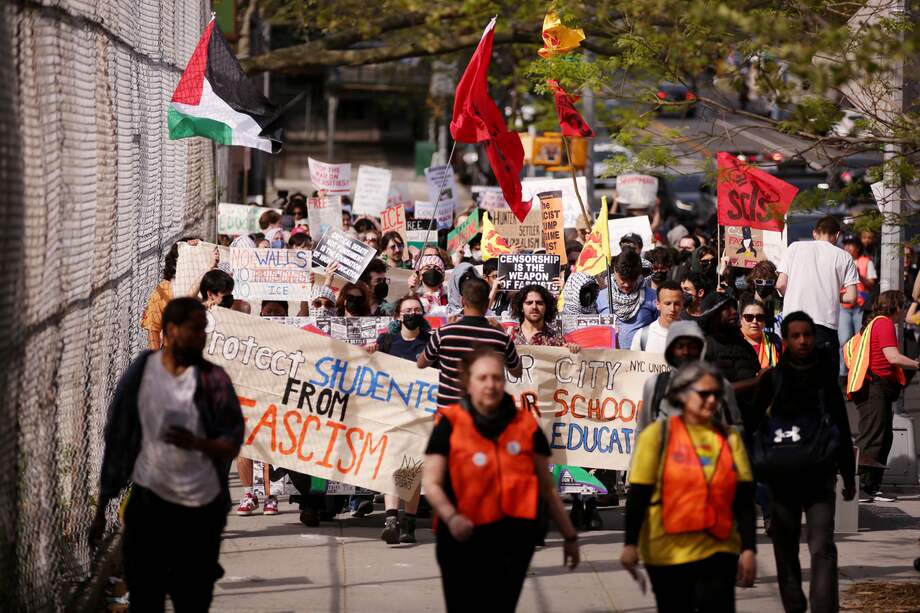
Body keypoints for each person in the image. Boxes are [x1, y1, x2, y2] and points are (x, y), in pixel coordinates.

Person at [90, 298, 244, 611]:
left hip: (199, 510)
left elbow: (232, 441)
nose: (202, 337)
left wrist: (199, 444)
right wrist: (102, 506)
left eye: (204, 330)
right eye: (195, 329)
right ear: (171, 330)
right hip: (151, 505)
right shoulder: (143, 372)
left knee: (192, 598)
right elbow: (119, 437)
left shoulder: (213, 380)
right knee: (146, 596)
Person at [423, 348, 580, 612]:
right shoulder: (450, 423)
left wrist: (570, 536)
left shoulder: (526, 425)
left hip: (513, 539)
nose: (490, 385)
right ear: (468, 381)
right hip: (461, 536)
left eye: (496, 378)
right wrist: (452, 517)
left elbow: (547, 487)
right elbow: (432, 483)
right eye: (482, 378)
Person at [621, 361, 756, 612]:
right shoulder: (656, 437)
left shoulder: (730, 439)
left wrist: (748, 549)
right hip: (667, 554)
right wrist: (630, 544)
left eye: (716, 394)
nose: (712, 400)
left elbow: (744, 499)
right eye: (703, 394)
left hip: (719, 550)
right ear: (682, 396)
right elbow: (639, 494)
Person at [749, 311, 856, 613]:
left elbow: (841, 425)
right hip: (781, 481)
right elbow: (752, 426)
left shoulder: (825, 379)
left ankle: (823, 607)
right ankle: (794, 604)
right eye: (795, 335)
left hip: (820, 477)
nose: (803, 341)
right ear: (785, 340)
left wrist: (849, 475)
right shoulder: (772, 379)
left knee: (822, 547)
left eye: (807, 334)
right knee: (785, 548)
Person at [843, 290, 919, 502]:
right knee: (873, 437)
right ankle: (859, 486)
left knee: (883, 438)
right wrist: (916, 364)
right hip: (873, 387)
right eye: (903, 306)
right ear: (895, 306)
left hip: (875, 388)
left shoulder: (876, 323)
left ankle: (870, 486)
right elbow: (892, 357)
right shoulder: (884, 323)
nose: (904, 311)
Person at [367, 296, 431, 543]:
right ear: (398, 316)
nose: (412, 313)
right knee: (392, 466)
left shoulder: (430, 342)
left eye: (416, 309)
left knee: (412, 469)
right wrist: (369, 352)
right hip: (391, 413)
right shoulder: (387, 342)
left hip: (420, 417)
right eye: (407, 310)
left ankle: (409, 523)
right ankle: (391, 519)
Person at [419, 278, 522, 409]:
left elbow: (421, 363)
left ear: (462, 301)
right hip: (484, 415)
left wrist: (446, 331)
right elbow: (517, 372)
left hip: (449, 414)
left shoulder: (444, 333)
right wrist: (502, 333)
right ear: (487, 303)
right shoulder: (501, 338)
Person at [776, 215, 858, 374]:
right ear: (837, 235)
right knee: (824, 382)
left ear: (815, 233)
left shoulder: (794, 248)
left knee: (794, 380)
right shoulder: (844, 257)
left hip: (793, 325)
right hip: (824, 328)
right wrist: (830, 294)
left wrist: (794, 293)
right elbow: (851, 297)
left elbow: (780, 284)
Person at [637, 321, 743, 433]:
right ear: (671, 350)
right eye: (680, 346)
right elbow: (642, 430)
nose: (685, 352)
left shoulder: (720, 385)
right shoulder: (655, 384)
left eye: (692, 347)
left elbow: (736, 428)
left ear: (701, 350)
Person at [236, 300, 289, 516]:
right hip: (250, 399)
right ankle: (249, 494)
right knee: (243, 448)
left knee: (269, 451)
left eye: (278, 311)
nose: (273, 314)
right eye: (269, 310)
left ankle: (270, 496)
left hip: (278, 402)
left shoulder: (292, 335)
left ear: (286, 314)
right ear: (261, 311)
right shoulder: (251, 332)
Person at [698, 293, 761, 429]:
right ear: (713, 314)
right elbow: (712, 392)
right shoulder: (703, 347)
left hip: (749, 424)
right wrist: (756, 381)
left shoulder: (744, 346)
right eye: (727, 309)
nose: (734, 312)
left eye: (734, 307)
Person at [142, 237, 200, 350]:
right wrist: (156, 357)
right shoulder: (164, 289)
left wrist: (203, 247)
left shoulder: (207, 282)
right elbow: (153, 328)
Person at [597, 250, 658, 348]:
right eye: (623, 279)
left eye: (632, 279)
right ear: (615, 271)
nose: (627, 284)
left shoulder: (653, 298)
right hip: (607, 356)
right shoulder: (600, 297)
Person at [838, 234, 877, 376]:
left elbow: (871, 284)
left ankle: (858, 372)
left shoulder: (866, 262)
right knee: (844, 340)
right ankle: (843, 374)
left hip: (861, 307)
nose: (847, 247)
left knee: (860, 340)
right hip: (843, 307)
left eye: (851, 244)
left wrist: (859, 275)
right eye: (845, 244)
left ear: (858, 247)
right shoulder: (839, 261)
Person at [509, 284, 578, 350]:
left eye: (539, 303)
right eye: (529, 303)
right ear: (521, 307)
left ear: (546, 307)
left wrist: (571, 350)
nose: (534, 307)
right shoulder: (509, 335)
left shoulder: (557, 340)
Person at [631, 280, 683, 353]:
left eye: (676, 304)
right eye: (667, 303)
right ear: (658, 304)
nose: (672, 309)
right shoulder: (642, 336)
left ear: (682, 305)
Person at [739, 293, 783, 369]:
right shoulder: (731, 343)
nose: (755, 321)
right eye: (749, 317)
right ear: (740, 320)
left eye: (759, 317)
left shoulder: (775, 341)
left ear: (764, 321)